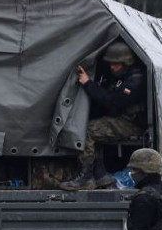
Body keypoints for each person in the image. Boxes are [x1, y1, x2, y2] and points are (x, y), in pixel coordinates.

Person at [61, 40, 148, 191]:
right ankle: (101, 175)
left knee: (89, 131)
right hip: (123, 120)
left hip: (131, 124)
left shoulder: (135, 80)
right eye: (111, 64)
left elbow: (113, 101)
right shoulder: (121, 76)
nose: (112, 67)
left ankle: (86, 178)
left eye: (117, 64)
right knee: (97, 127)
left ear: (126, 62)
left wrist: (88, 84)